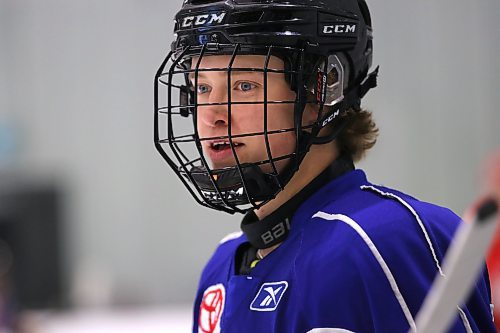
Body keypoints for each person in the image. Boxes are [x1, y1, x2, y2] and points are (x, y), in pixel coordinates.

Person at [154, 0, 496, 332]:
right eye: (201, 87)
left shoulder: (389, 239)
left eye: (244, 86)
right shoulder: (221, 267)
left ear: (323, 87)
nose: (211, 114)